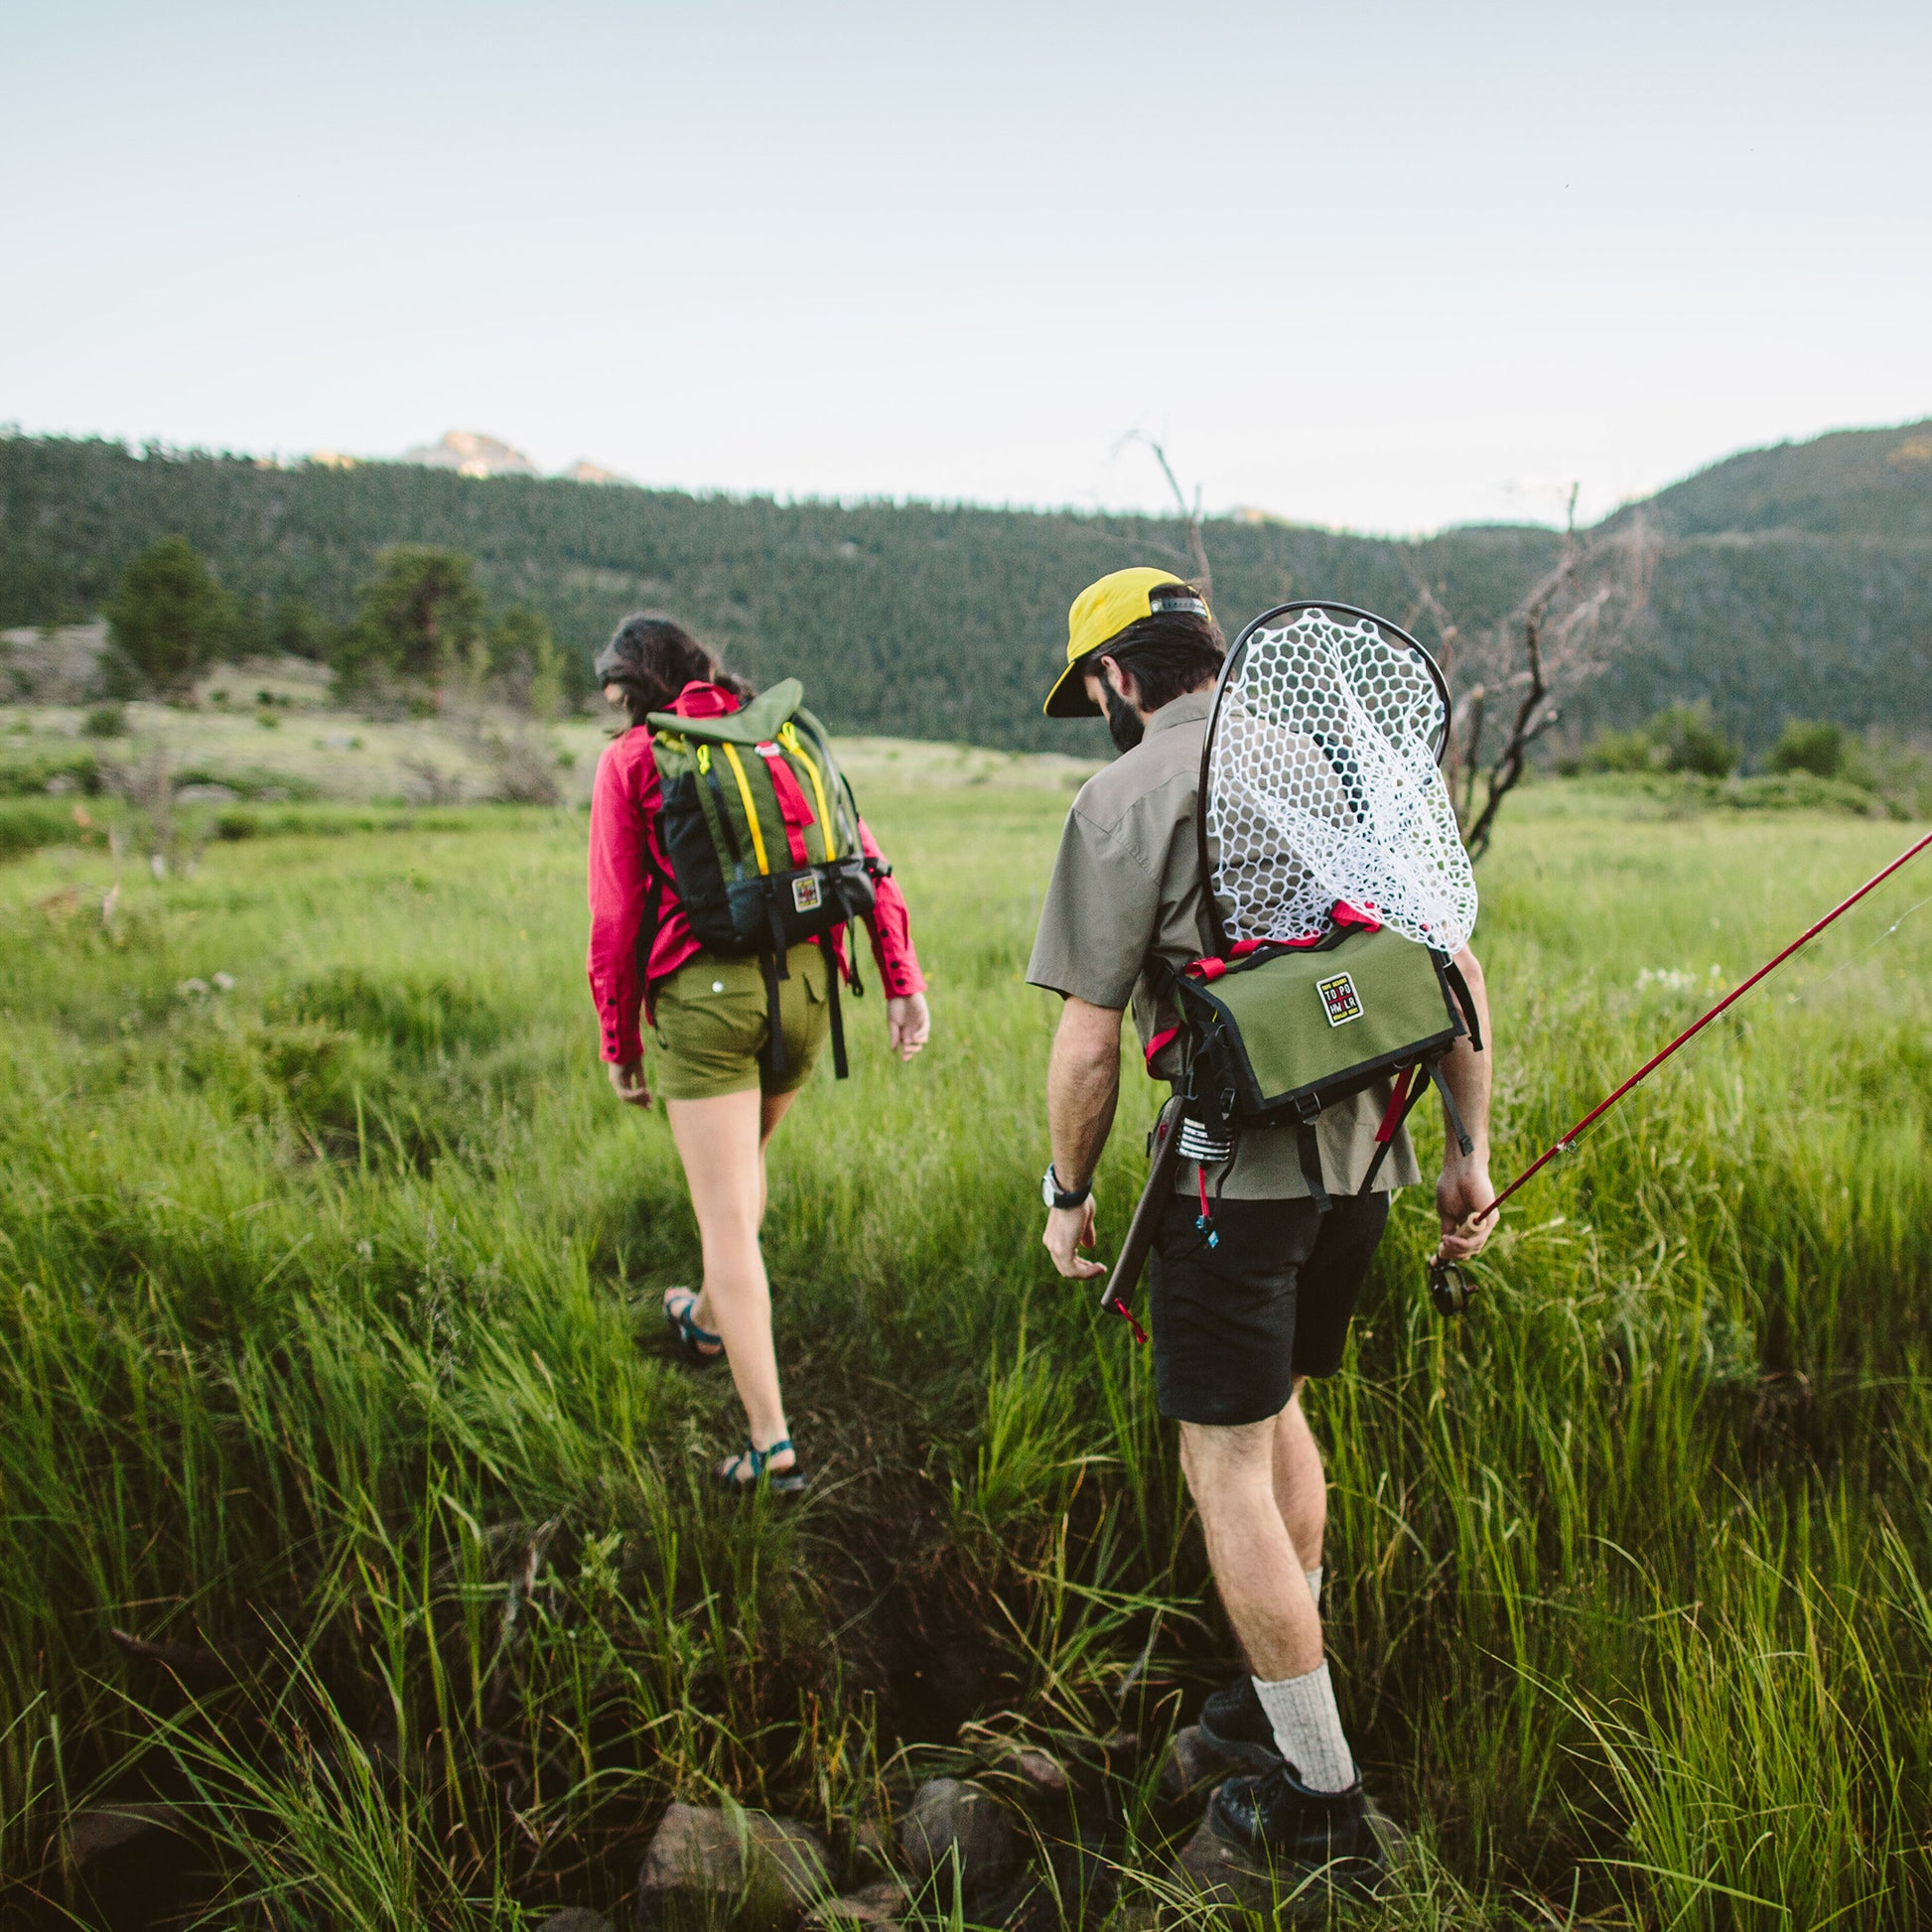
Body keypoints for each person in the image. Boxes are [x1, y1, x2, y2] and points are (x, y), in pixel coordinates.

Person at [1026, 568, 1494, 1889]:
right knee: (1277, 1404)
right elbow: (1451, 968)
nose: (1098, 711)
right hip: (1374, 1160)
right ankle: (1273, 1690)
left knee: (1221, 1453)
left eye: (1093, 691)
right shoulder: (1342, 757)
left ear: (1118, 678)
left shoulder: (1119, 796)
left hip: (1232, 1182)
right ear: (1211, 655)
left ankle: (1321, 1797)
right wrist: (1466, 1157)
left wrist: (1068, 1197)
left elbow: (1086, 1042)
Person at [587, 614, 931, 1495]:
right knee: (739, 1188)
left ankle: (772, 1445)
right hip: (811, 988)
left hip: (706, 1002)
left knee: (726, 1218)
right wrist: (902, 980)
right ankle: (705, 1318)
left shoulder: (635, 757)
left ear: (635, 686)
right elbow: (867, 855)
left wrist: (618, 1037)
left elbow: (618, 916)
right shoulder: (780, 734)